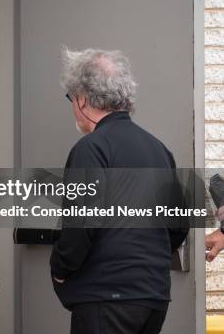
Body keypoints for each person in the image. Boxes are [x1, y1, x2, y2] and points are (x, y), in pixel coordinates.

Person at [50, 48, 188, 334]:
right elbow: (179, 224)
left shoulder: (91, 148)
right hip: (153, 297)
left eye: (71, 99)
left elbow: (81, 223)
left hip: (105, 297)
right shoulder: (158, 149)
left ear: (83, 99)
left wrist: (61, 269)